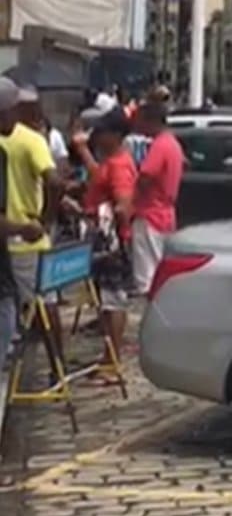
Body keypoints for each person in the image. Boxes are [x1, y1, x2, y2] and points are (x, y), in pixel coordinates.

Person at [0, 78, 62, 350]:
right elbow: (55, 183)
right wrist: (44, 221)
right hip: (23, 237)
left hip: (19, 238)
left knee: (31, 303)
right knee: (38, 302)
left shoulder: (25, 140)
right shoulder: (31, 140)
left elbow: (55, 183)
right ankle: (52, 365)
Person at [73, 109, 136, 368]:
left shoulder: (119, 165)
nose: (97, 137)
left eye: (102, 133)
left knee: (113, 301)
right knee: (106, 301)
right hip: (107, 239)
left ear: (116, 135)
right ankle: (108, 357)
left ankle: (113, 362)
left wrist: (106, 223)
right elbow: (99, 179)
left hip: (111, 243)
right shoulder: (111, 161)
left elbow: (123, 205)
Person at [131, 101, 184, 298]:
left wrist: (134, 199)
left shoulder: (160, 145)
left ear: (151, 121)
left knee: (147, 277)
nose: (138, 126)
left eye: (140, 121)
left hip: (150, 214)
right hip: (166, 214)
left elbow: (146, 176)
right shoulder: (172, 144)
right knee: (159, 271)